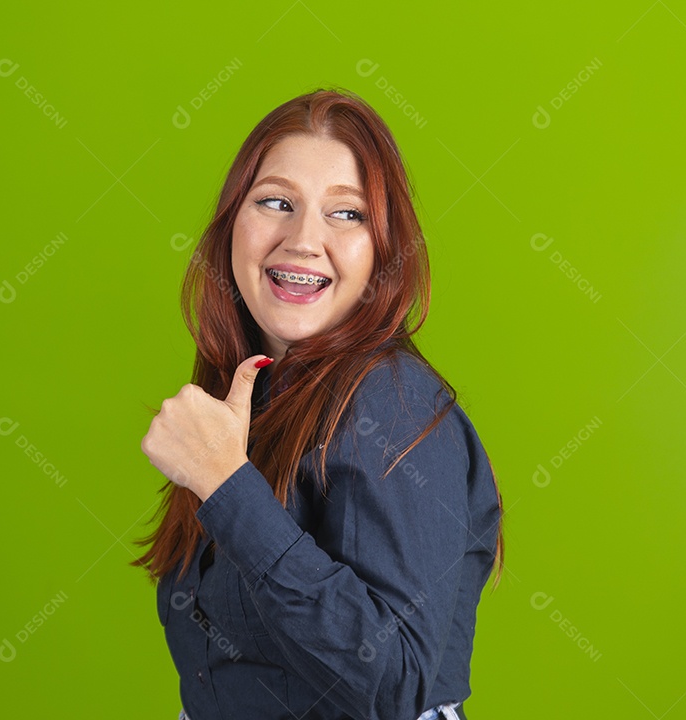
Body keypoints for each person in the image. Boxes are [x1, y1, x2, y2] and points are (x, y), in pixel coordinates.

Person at [135, 87, 505, 720]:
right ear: (231, 227)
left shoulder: (392, 402)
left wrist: (226, 486)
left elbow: (395, 683)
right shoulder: (253, 397)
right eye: (276, 202)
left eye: (347, 214)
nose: (303, 240)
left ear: (383, 250)